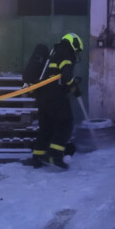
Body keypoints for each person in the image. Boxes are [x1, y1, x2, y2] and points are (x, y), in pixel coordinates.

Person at [32, 33, 83, 170]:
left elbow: (57, 74)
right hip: (54, 95)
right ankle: (54, 155)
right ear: (74, 44)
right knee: (66, 123)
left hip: (42, 95)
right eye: (77, 50)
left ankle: (38, 157)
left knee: (46, 127)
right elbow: (67, 76)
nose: (76, 54)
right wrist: (74, 88)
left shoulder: (54, 52)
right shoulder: (66, 53)